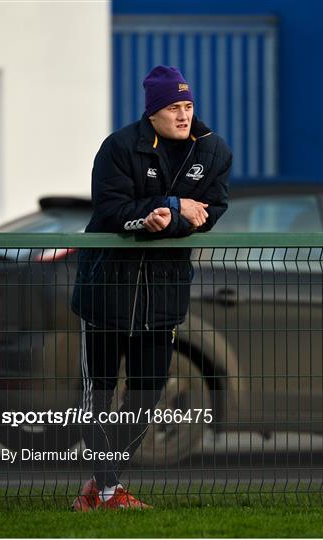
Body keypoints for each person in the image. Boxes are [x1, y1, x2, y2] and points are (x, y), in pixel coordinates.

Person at [71, 65, 232, 511]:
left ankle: (102, 485)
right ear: (153, 113)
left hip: (163, 298)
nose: (183, 115)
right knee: (98, 394)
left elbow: (210, 211)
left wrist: (169, 219)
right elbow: (109, 211)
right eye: (172, 107)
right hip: (108, 292)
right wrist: (164, 208)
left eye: (187, 105)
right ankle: (106, 492)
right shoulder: (120, 147)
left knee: (146, 396)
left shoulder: (214, 150)